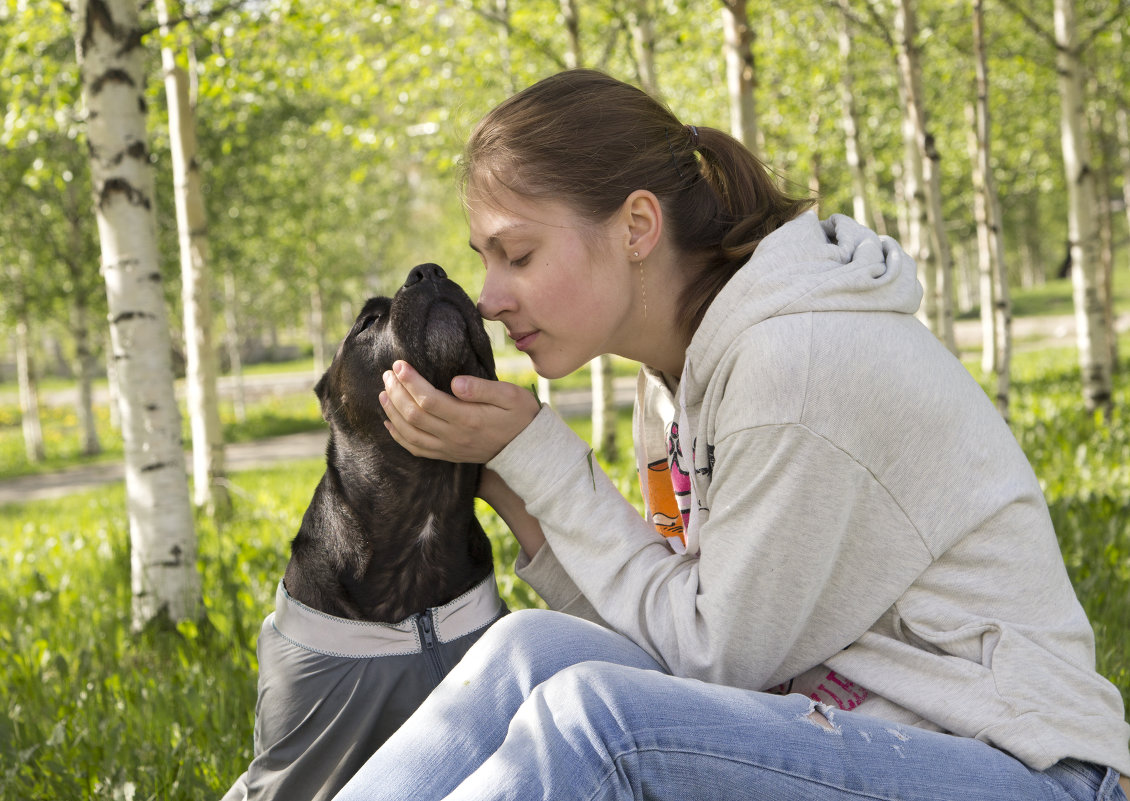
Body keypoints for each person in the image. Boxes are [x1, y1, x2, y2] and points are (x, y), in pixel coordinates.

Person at [333, 69, 1130, 801]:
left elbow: (715, 660)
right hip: (856, 736)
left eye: (518, 254)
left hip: (1021, 769)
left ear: (637, 226)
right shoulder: (678, 374)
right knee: (530, 649)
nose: (490, 297)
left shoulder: (793, 366)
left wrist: (540, 453)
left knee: (594, 720)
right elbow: (656, 630)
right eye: (486, 260)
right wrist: (504, 468)